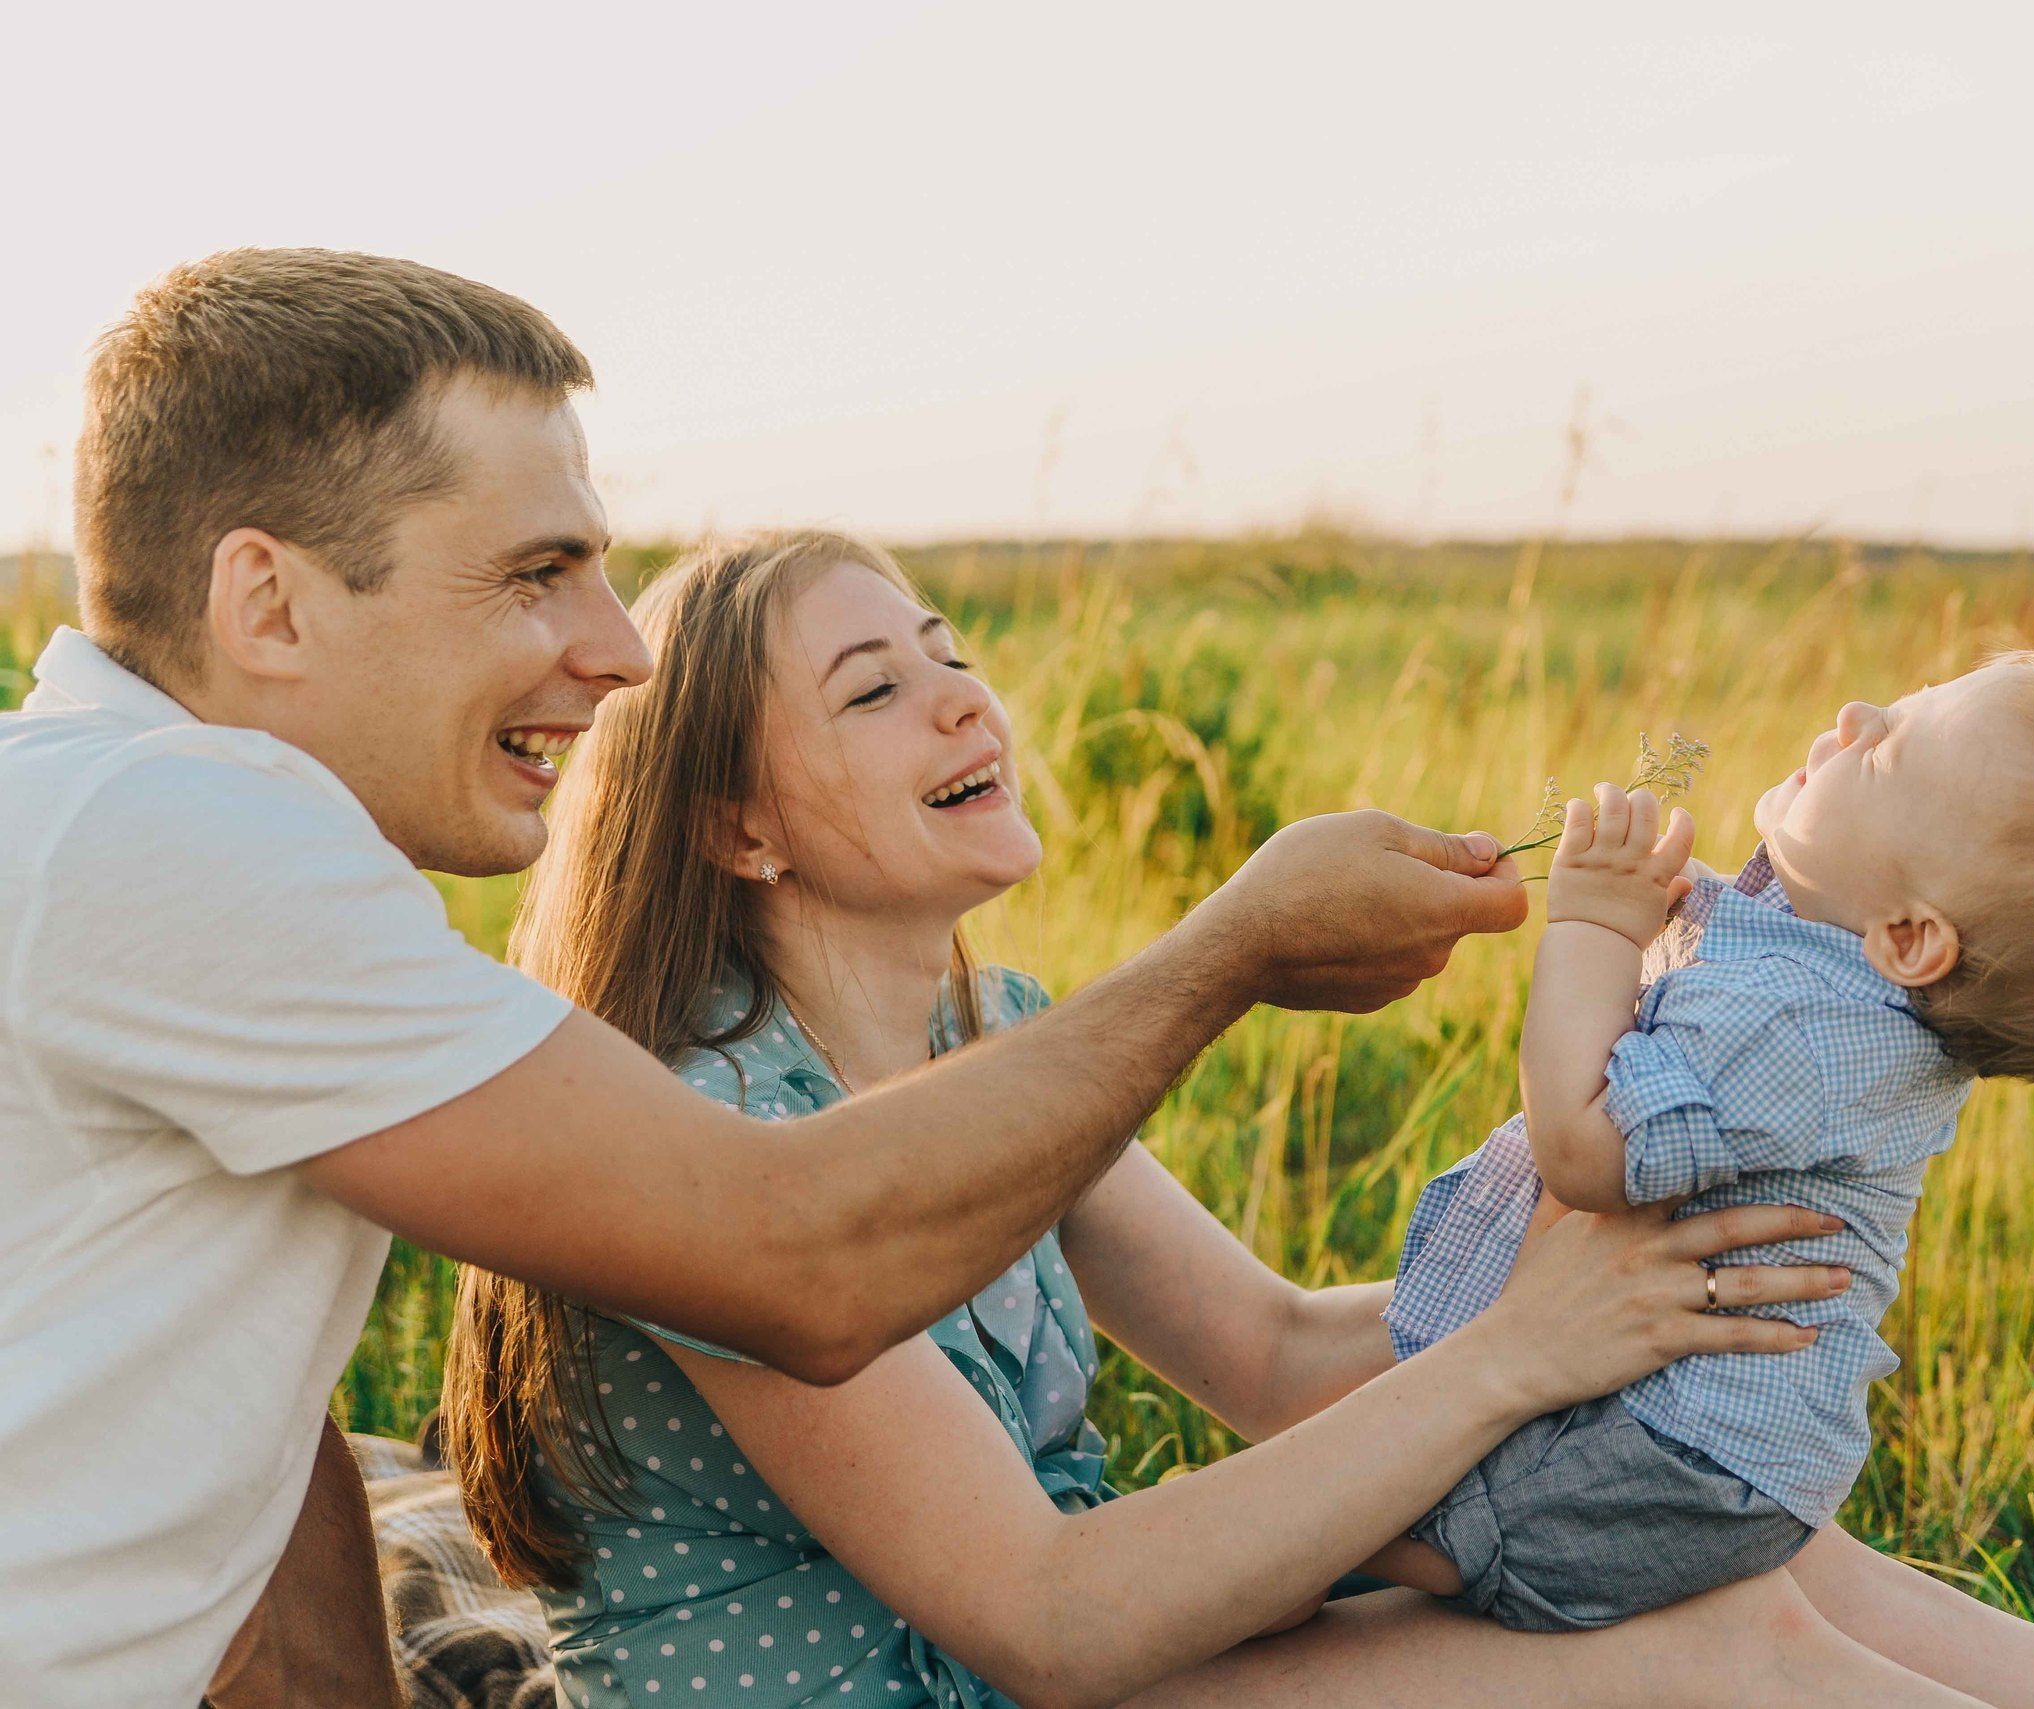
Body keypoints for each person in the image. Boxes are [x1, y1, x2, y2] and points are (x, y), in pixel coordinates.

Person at [0, 249, 1545, 1709]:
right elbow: (794, 1260)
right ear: (268, 603)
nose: (619, 652)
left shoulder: (117, 827)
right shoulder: (177, 835)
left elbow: (253, 1442)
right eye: (535, 575)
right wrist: (1237, 944)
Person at [441, 529, 2002, 1709]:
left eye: (947, 651)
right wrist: (1522, 1348)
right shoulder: (707, 1133)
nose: (961, 698)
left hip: (1039, 1656)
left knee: (1761, 1570)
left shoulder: (989, 1039)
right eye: (876, 689)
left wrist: (1630, 1290)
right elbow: (1049, 1619)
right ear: (740, 829)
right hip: (943, 1677)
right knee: (1707, 1655)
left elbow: (1267, 1350)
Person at [1365, 655, 2034, 1703]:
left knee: (1410, 1539)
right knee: (1385, 1518)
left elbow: (1583, 1146)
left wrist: (1593, 925)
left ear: (1909, 937)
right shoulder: (1835, 973)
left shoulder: (1800, 1032)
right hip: (1713, 1446)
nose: (1856, 713)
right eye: (1898, 705)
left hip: (1664, 1456)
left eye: (1890, 750)